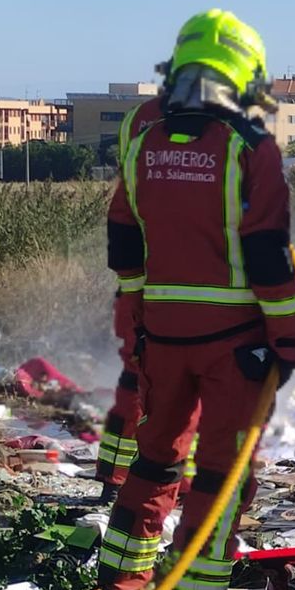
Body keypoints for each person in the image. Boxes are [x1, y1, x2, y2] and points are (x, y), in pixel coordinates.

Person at [99, 9, 295, 590]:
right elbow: (269, 254)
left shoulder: (142, 140)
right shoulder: (251, 147)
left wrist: (132, 313)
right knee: (220, 472)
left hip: (160, 335)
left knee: (155, 458)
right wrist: (290, 337)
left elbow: (123, 234)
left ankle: (120, 582)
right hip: (235, 345)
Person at [94, 94, 199, 498]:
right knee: (196, 385)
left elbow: (126, 206)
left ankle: (115, 476)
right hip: (197, 287)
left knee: (135, 378)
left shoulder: (140, 120)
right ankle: (180, 481)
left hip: (140, 281)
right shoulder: (221, 124)